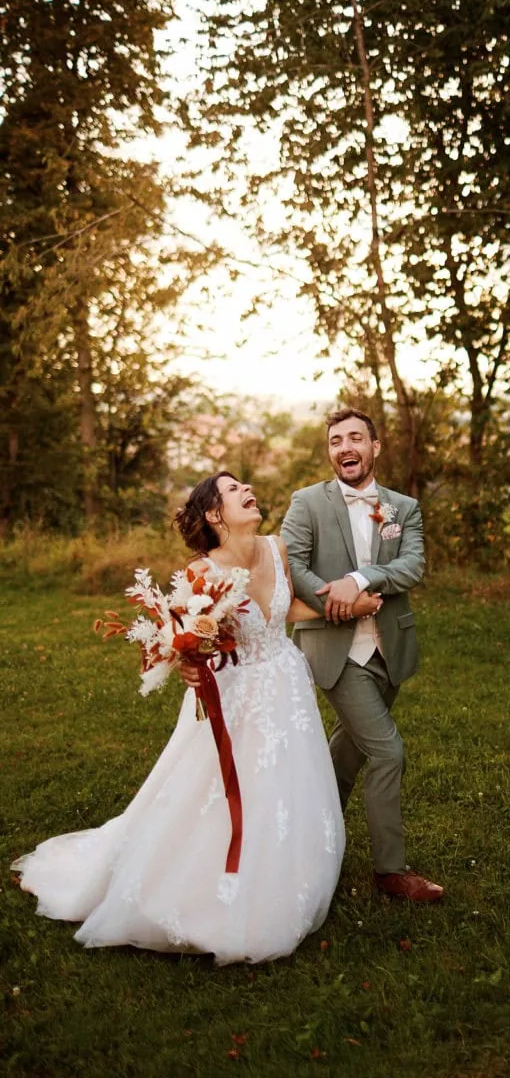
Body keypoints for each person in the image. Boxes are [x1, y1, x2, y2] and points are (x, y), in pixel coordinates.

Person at [11, 473, 378, 965]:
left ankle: (285, 868)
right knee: (223, 788)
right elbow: (191, 637)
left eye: (245, 485)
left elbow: (284, 607)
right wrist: (187, 659)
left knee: (285, 780)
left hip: (286, 682)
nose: (247, 490)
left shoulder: (277, 548)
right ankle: (212, 878)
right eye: (233, 490)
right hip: (235, 693)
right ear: (212, 514)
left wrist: (343, 610)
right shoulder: (201, 573)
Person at [281, 407, 444, 903]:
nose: (345, 448)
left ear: (375, 447)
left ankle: (309, 843)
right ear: (329, 451)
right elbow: (291, 565)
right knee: (386, 751)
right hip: (333, 650)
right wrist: (339, 604)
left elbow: (412, 566)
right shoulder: (306, 502)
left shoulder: (403, 507)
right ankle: (389, 872)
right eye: (335, 441)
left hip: (388, 649)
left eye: (355, 438)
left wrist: (361, 579)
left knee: (346, 757)